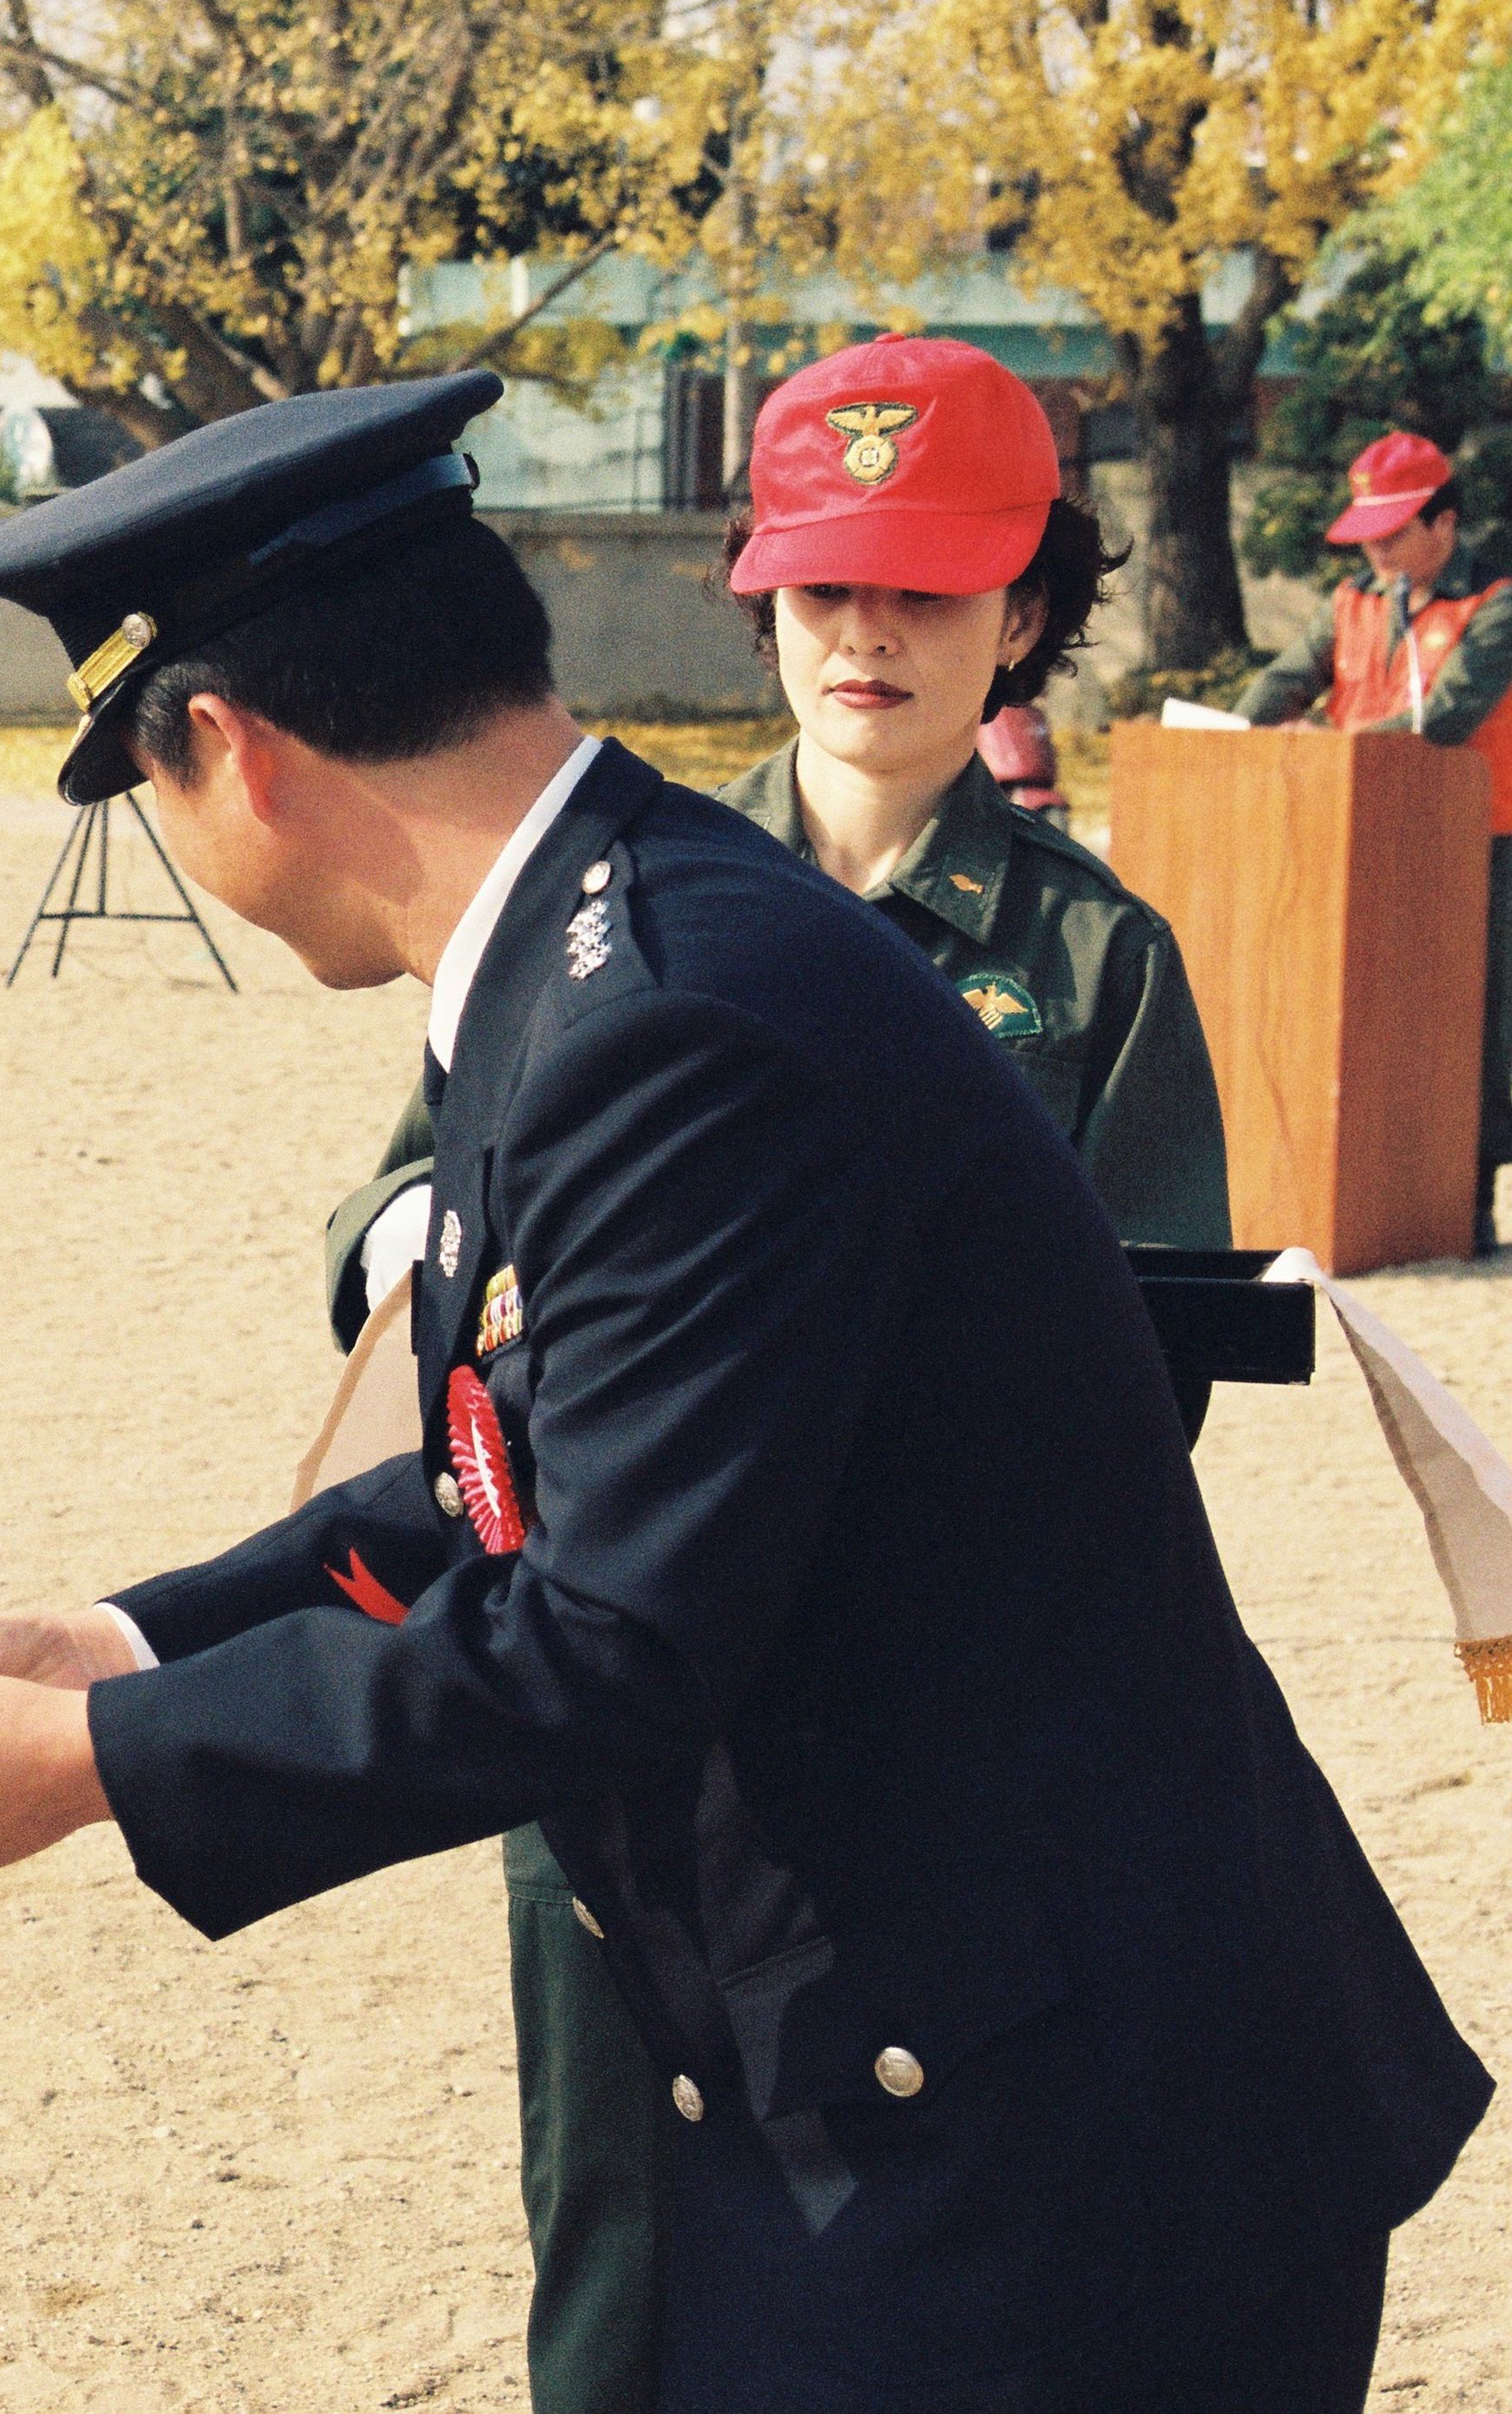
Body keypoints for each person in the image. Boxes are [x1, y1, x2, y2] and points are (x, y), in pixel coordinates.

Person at [0, 371, 1489, 2411]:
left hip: (1064, 2154)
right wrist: (123, 1642)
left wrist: (95, 1759)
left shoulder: (662, 1011)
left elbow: (609, 1631)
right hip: (924, 2063)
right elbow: (516, 1468)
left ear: (228, 748)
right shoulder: (605, 934)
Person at [306, 337, 1232, 2414]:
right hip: (612, 1691)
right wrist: (452, 1277)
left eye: (926, 588)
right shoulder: (591, 903)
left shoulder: (1091, 961)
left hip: (911, 1738)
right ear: (762, 600)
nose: (867, 635)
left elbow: (1133, 1377)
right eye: (826, 586)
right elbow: (406, 1205)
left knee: (887, 2256)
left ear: (1026, 614)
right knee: (615, 2241)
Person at [1232, 430, 1512, 1246]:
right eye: (1368, 536)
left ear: (1445, 523)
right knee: (1357, 1011)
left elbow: (1446, 717)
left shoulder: (1494, 603)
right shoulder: (1354, 600)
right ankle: (1360, 1193)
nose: (1376, 552)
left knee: (1473, 1023)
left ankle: (1466, 1201)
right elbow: (1288, 680)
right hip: (1352, 835)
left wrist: (1333, 747)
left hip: (1475, 843)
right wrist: (1231, 733)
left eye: (1392, 534)